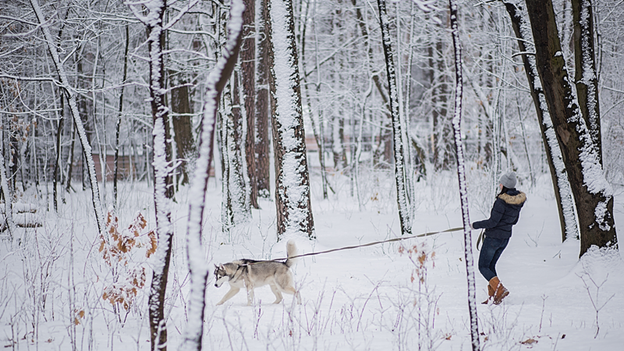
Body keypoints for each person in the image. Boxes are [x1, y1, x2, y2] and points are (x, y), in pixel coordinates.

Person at [471, 172, 526, 304]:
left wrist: (474, 225)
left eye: (500, 183)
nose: (499, 185)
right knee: (490, 266)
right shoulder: (518, 202)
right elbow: (514, 221)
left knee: (483, 267)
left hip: (493, 238)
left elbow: (492, 222)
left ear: (504, 185)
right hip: (505, 238)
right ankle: (494, 297)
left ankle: (500, 290)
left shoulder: (501, 202)